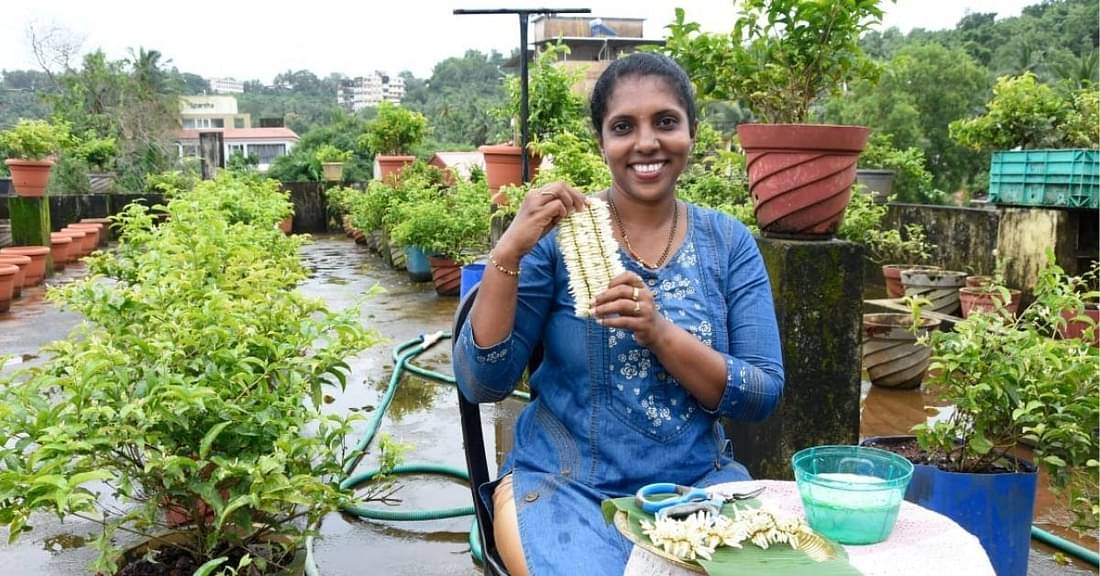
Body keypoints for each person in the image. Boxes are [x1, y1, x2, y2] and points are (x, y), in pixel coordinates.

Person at [453, 53, 784, 576]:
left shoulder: (729, 244)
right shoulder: (556, 241)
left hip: (696, 488)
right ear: (602, 141)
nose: (646, 142)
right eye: (624, 127)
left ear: (692, 133)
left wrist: (658, 332)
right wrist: (508, 254)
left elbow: (761, 393)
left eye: (666, 122)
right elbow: (481, 383)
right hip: (566, 486)